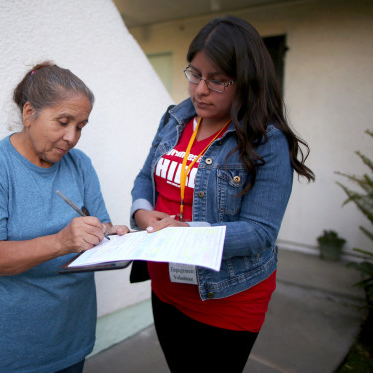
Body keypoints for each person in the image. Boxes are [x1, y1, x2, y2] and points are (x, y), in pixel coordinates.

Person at [130, 16, 315, 372]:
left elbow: (260, 231)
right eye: (195, 74)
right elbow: (144, 178)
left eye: (217, 81)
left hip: (225, 296)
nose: (200, 89)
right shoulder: (175, 119)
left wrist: (188, 234)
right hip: (165, 286)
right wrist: (141, 213)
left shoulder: (268, 141)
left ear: (246, 82)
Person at [0, 61, 128, 373]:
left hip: (71, 339)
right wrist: (61, 241)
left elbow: (99, 221)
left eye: (80, 126)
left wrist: (108, 234)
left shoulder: (80, 164)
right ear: (29, 113)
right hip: (8, 352)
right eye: (63, 122)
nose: (72, 137)